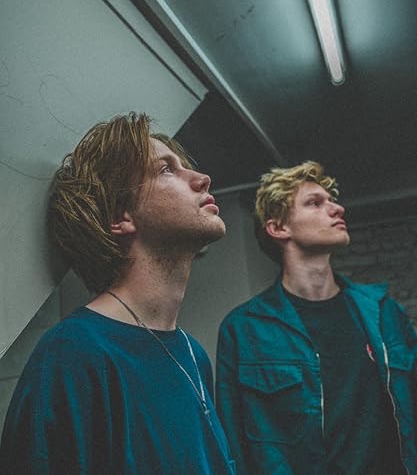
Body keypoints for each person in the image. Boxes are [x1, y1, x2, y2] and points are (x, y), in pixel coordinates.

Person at [0, 112, 236, 474]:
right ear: (120, 215)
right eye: (166, 169)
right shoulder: (72, 355)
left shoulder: (193, 354)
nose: (202, 179)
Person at [216, 160, 417, 475]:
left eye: (332, 200)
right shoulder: (244, 330)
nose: (337, 208)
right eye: (315, 202)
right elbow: (233, 448)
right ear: (278, 228)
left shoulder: (383, 312)